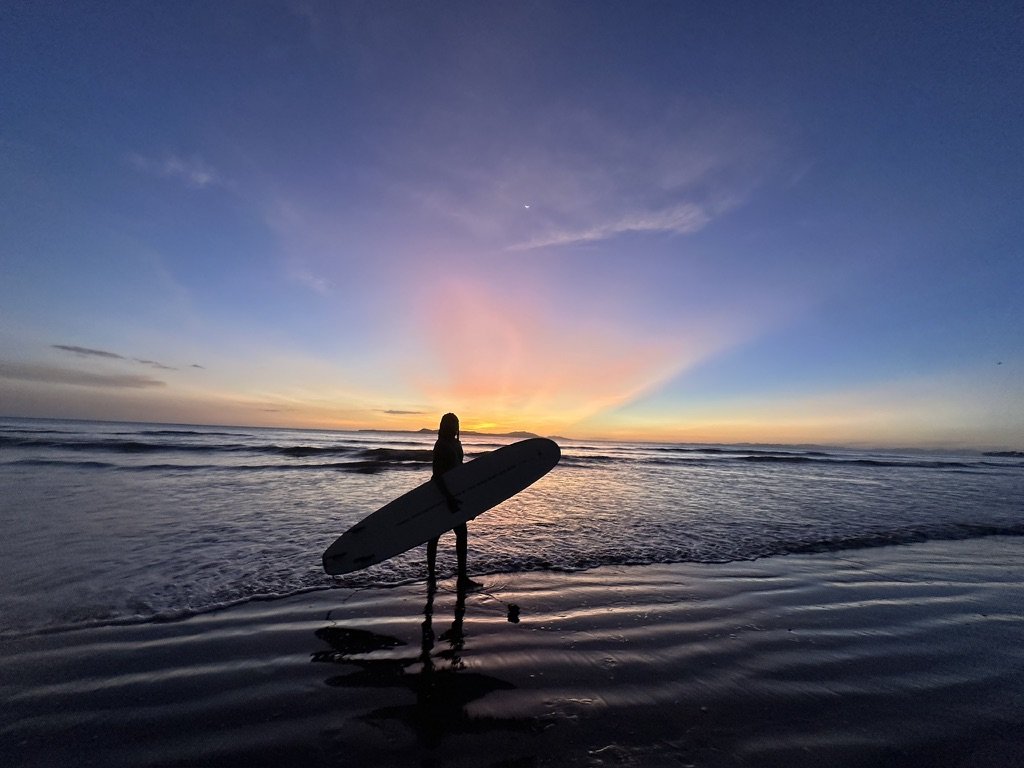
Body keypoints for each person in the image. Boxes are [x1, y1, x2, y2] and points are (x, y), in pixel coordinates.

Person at [426, 412, 470, 585]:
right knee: (434, 535)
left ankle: (462, 577)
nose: (454, 427)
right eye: (451, 424)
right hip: (440, 494)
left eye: (456, 423)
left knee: (462, 534)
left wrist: (469, 498)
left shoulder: (457, 443)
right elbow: (437, 475)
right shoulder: (441, 445)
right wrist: (448, 498)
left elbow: (460, 470)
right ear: (444, 425)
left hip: (455, 494)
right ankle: (431, 576)